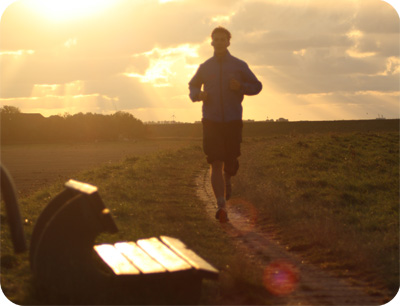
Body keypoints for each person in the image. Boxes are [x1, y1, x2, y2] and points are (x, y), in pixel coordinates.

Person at [189, 26, 262, 223]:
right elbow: (193, 85)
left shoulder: (239, 65)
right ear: (211, 42)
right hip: (211, 121)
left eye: (223, 39)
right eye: (216, 39)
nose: (219, 42)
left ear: (228, 42)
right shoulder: (205, 67)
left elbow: (257, 86)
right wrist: (198, 95)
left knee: (230, 161)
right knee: (215, 161)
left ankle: (228, 177)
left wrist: (241, 87)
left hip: (232, 121)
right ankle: (221, 205)